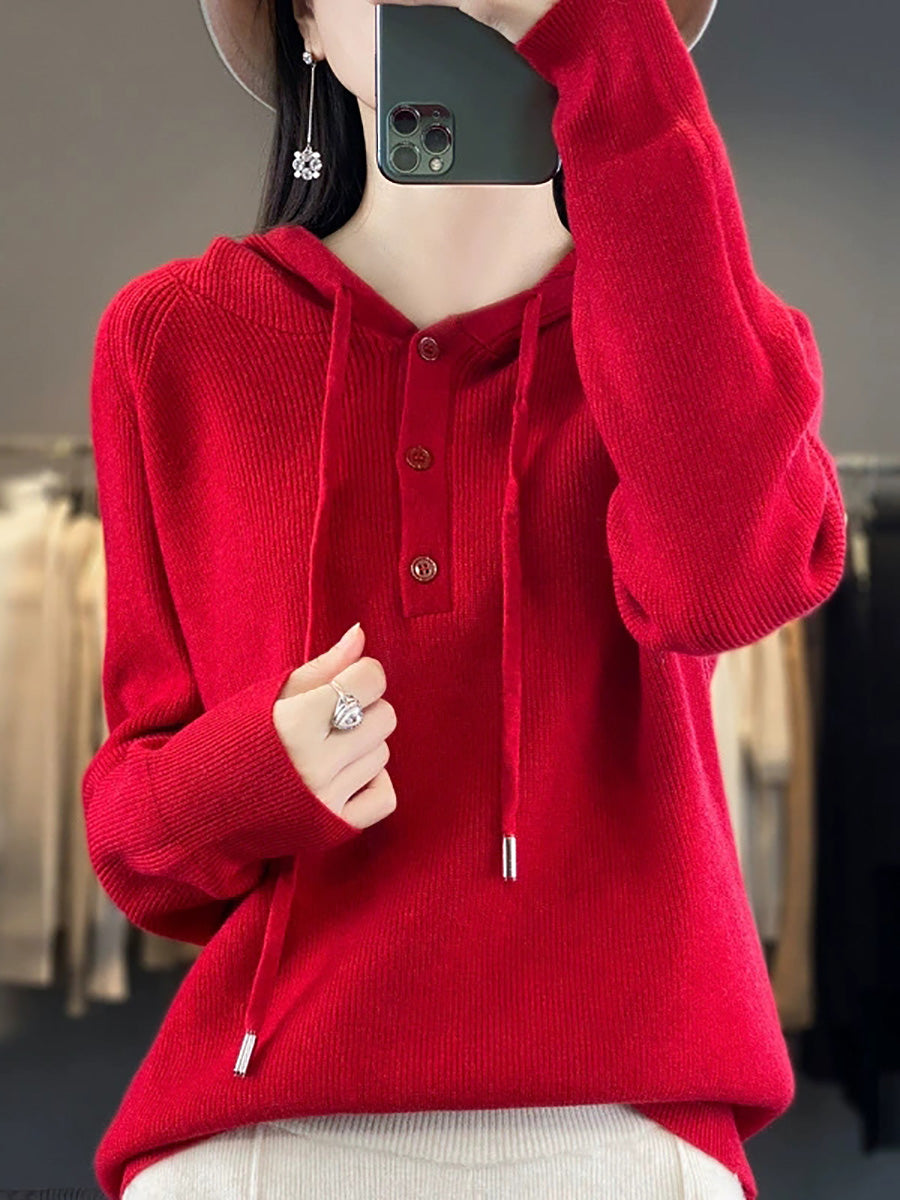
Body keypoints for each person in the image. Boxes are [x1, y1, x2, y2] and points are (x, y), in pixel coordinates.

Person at [82, 0, 846, 1197]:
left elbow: (724, 586)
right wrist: (262, 766)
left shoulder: (709, 341)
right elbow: (136, 841)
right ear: (303, 19)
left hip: (627, 1138)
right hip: (256, 1142)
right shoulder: (173, 341)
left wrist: (610, 61)